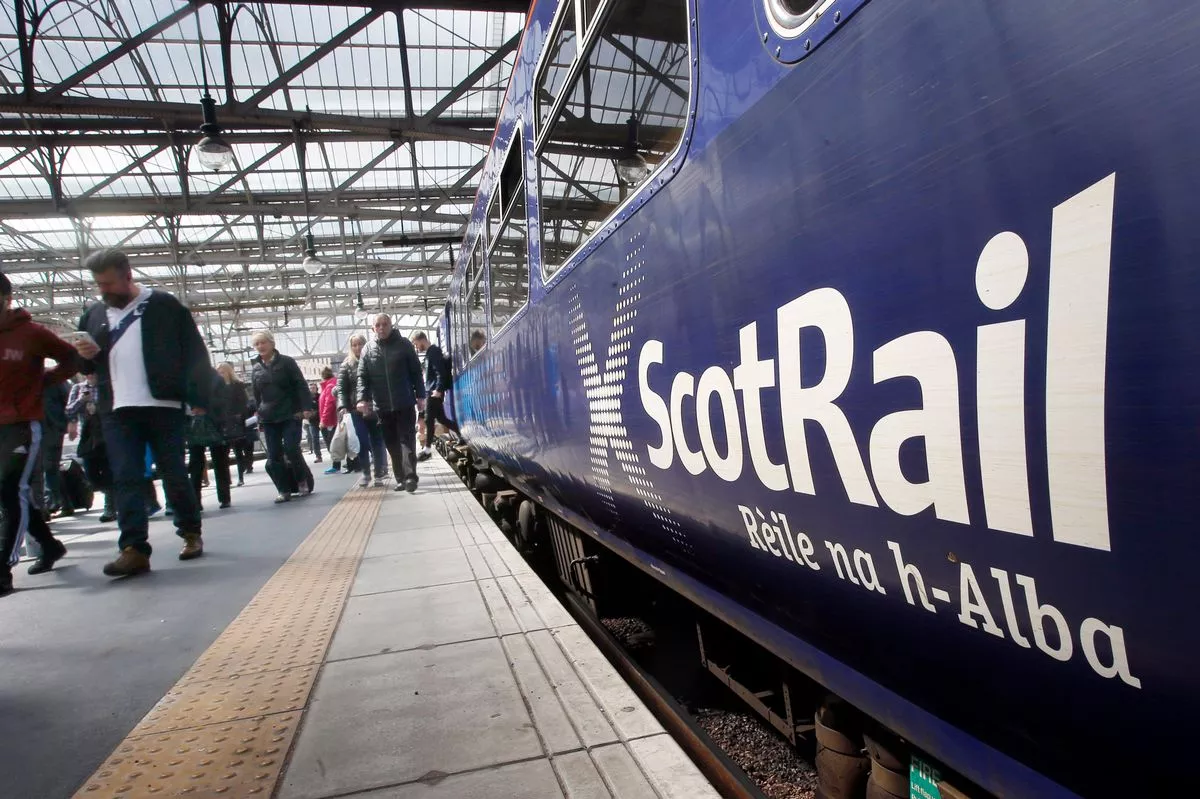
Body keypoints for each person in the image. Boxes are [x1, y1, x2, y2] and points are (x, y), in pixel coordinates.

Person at [74, 249, 211, 577]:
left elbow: (193, 351)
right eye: (98, 285)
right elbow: (85, 366)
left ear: (128, 276)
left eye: (108, 283)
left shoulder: (164, 306)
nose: (103, 291)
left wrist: (200, 396)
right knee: (126, 476)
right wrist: (86, 355)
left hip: (162, 404)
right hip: (116, 408)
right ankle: (133, 548)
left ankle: (191, 532)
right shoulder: (93, 315)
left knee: (173, 471)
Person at [0, 272, 78, 594]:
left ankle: (3, 567)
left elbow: (71, 359)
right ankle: (49, 545)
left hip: (21, 424)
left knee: (10, 488)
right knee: (8, 492)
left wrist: (42, 382)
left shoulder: (31, 333)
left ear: (6, 300)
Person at [357, 314, 425, 492]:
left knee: (406, 440)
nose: (381, 327)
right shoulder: (368, 350)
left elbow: (416, 372)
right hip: (382, 406)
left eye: (385, 324)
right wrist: (362, 399)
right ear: (373, 329)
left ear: (391, 325)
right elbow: (362, 378)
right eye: (378, 325)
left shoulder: (404, 345)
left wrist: (421, 396)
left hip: (404, 402)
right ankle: (400, 478)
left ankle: (410, 477)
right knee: (391, 443)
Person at [250, 330, 315, 503]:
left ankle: (301, 480)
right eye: (257, 344)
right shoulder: (256, 367)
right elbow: (257, 395)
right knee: (274, 456)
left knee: (292, 448)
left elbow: (300, 385)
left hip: (290, 413)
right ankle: (283, 489)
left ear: (272, 343)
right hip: (269, 417)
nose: (260, 346)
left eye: (263, 342)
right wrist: (258, 415)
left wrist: (306, 407)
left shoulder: (287, 362)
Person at [338, 333, 386, 488]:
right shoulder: (346, 365)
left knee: (377, 441)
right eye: (354, 345)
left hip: (375, 408)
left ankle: (379, 473)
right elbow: (342, 389)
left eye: (360, 344)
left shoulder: (374, 359)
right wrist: (343, 405)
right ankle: (366, 473)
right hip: (356, 410)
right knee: (361, 442)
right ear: (351, 347)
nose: (357, 347)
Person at [66, 373, 116, 523]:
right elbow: (68, 410)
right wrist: (82, 400)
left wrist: (97, 407)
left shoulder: (106, 386)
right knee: (90, 474)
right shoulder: (78, 388)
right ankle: (112, 494)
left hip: (107, 435)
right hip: (88, 438)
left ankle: (110, 508)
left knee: (108, 472)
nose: (91, 375)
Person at [188, 369, 233, 510]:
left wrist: (204, 406)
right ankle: (196, 500)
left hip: (214, 423)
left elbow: (224, 401)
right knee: (196, 463)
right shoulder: (186, 377)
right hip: (194, 424)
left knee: (219, 462)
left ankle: (224, 497)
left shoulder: (216, 379)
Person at [411, 331, 459, 460]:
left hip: (433, 391)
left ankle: (427, 450)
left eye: (416, 344)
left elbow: (440, 372)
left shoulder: (433, 352)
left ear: (421, 340)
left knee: (428, 419)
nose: (416, 347)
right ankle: (462, 435)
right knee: (441, 419)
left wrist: (438, 389)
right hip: (432, 391)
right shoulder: (430, 353)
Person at [216, 363, 254, 486]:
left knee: (238, 451)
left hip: (236, 422)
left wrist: (239, 416)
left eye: (222, 372)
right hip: (222, 422)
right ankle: (228, 479)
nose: (220, 375)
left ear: (228, 372)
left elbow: (244, 403)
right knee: (224, 453)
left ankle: (240, 477)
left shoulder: (237, 385)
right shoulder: (216, 387)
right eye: (219, 372)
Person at [41, 378, 71, 515]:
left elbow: (68, 401)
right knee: (50, 467)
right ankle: (64, 503)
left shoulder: (54, 379)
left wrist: (69, 422)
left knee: (49, 466)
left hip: (53, 428)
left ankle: (54, 501)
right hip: (38, 428)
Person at [317, 366, 340, 474]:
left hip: (330, 421)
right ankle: (343, 464)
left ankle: (336, 465)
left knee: (332, 444)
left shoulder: (329, 386)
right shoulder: (330, 385)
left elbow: (328, 404)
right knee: (335, 443)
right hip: (332, 420)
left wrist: (323, 421)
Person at [306, 383, 323, 464]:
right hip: (312, 421)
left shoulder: (320, 396)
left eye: (314, 387)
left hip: (322, 420)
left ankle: (333, 454)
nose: (312, 389)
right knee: (315, 439)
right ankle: (318, 456)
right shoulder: (307, 398)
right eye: (311, 388)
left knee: (328, 437)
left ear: (316, 388)